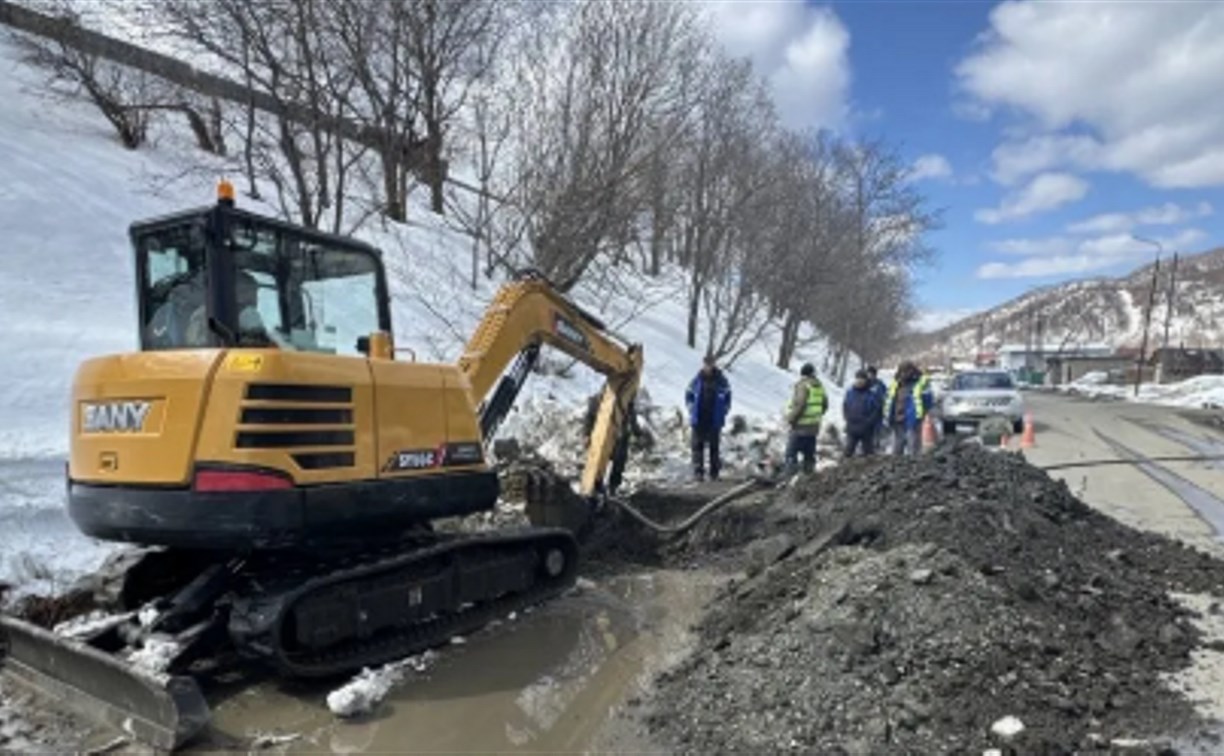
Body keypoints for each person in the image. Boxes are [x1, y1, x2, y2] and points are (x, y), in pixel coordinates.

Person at [685, 355, 732, 481]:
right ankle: (698, 472)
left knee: (714, 447)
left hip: (714, 419)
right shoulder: (697, 379)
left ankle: (714, 473)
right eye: (706, 364)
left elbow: (728, 397)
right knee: (697, 446)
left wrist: (724, 411)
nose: (708, 366)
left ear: (714, 364)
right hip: (699, 418)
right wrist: (691, 409)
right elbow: (688, 394)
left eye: (710, 364)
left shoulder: (722, 381)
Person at [783, 363, 828, 475]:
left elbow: (800, 405)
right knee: (809, 454)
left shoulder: (803, 385)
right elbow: (825, 405)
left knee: (791, 453)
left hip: (800, 426)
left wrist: (790, 419)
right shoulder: (819, 386)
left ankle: (789, 478)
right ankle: (809, 477)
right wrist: (815, 416)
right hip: (813, 427)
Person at [884, 361, 934, 456]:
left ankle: (914, 467)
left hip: (913, 419)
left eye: (906, 371)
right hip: (897, 419)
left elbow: (928, 400)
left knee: (913, 448)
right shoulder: (895, 384)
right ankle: (895, 467)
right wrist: (888, 415)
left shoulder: (920, 383)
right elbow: (888, 400)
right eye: (902, 371)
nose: (904, 374)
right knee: (897, 448)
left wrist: (922, 414)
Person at [842, 369, 880, 457]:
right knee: (848, 452)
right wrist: (847, 418)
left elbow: (876, 411)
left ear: (866, 381)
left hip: (866, 429)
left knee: (868, 454)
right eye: (857, 378)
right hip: (852, 427)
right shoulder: (850, 392)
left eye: (862, 379)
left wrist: (868, 422)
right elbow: (845, 405)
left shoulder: (871, 394)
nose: (859, 381)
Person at [865, 365, 888, 453]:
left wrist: (881, 405)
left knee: (876, 429)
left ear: (875, 374)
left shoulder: (879, 384)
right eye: (868, 373)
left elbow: (885, 395)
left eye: (871, 374)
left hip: (877, 411)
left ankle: (876, 445)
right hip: (866, 411)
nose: (869, 375)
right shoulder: (864, 384)